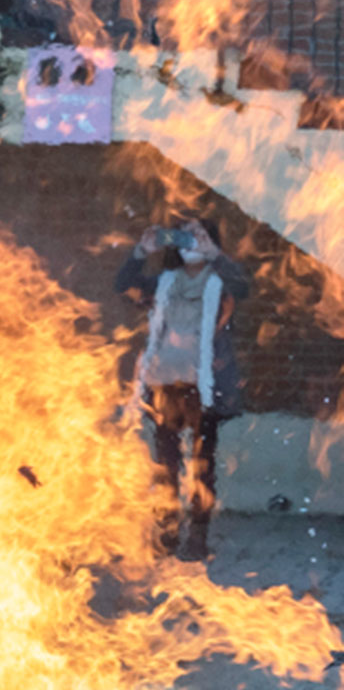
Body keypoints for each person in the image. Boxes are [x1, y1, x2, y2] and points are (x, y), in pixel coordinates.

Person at [116, 216, 251, 561]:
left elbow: (244, 286)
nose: (192, 244)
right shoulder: (164, 281)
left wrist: (215, 254)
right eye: (186, 238)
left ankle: (198, 538)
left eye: (199, 237)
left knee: (202, 465)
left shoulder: (219, 283)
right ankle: (169, 532)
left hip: (205, 385)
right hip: (165, 383)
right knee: (167, 463)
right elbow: (123, 284)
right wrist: (140, 251)